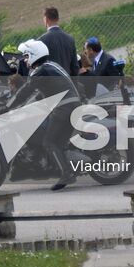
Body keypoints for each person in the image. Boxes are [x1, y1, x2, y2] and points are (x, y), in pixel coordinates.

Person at [14, 38, 82, 191]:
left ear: (33, 55)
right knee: (60, 143)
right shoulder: (52, 66)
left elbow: (26, 90)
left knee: (49, 142)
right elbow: (41, 92)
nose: (24, 60)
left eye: (26, 56)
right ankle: (63, 167)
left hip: (64, 107)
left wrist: (8, 106)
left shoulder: (39, 71)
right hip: (72, 104)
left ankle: (67, 174)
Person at [40, 6, 79, 75]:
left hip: (50, 82)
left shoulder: (42, 40)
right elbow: (75, 66)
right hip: (67, 82)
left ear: (46, 20)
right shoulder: (70, 39)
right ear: (58, 19)